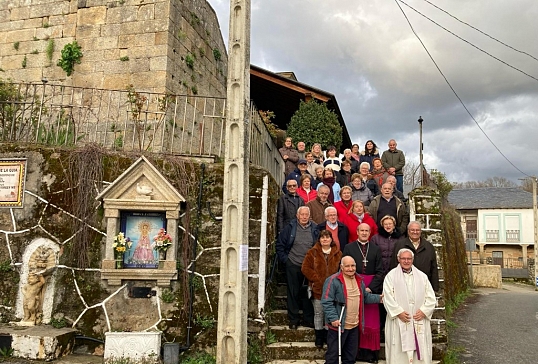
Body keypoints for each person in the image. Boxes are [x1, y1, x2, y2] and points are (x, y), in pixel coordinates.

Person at [321, 256, 382, 364]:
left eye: (353, 266)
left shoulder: (359, 280)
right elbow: (326, 301)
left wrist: (380, 298)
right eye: (347, 266)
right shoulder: (333, 280)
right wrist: (333, 318)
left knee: (350, 357)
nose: (350, 269)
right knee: (333, 357)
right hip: (339, 326)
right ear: (341, 267)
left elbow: (365, 297)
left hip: (354, 326)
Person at [383, 248, 436, 364]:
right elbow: (387, 297)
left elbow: (431, 298)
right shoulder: (391, 276)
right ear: (398, 259)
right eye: (403, 258)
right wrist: (398, 312)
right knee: (399, 353)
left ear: (412, 259)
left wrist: (424, 311)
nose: (406, 261)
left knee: (420, 352)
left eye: (409, 258)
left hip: (418, 319)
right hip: (399, 320)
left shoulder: (422, 276)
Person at [342, 223, 384, 363]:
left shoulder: (376, 249)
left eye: (367, 231)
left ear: (370, 232)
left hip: (371, 287)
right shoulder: (349, 248)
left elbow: (380, 272)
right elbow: (345, 269)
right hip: (353, 286)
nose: (364, 233)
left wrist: (370, 288)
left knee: (371, 322)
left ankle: (371, 354)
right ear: (357, 232)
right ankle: (356, 352)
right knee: (355, 320)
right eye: (362, 230)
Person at [276, 206, 317, 329]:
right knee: (293, 292)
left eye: (306, 214)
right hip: (293, 264)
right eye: (302, 214)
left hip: (309, 266)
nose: (304, 217)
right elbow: (280, 245)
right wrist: (286, 260)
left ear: (309, 216)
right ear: (297, 216)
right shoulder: (289, 228)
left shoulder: (315, 229)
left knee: (308, 293)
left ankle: (308, 319)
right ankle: (293, 320)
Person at [301, 230, 342, 348]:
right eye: (322, 237)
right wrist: (316, 279)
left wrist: (335, 282)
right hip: (317, 288)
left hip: (333, 289)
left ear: (331, 239)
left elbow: (341, 269)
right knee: (319, 313)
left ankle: (328, 336)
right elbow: (305, 268)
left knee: (329, 314)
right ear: (319, 239)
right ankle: (319, 337)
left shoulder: (338, 253)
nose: (325, 239)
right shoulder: (312, 252)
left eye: (327, 237)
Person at [370, 215, 402, 334]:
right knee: (380, 301)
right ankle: (380, 327)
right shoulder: (376, 238)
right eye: (386, 224)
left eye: (390, 223)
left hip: (394, 273)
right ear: (382, 225)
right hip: (380, 273)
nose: (388, 226)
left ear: (394, 225)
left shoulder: (400, 239)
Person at [390, 221, 440, 292]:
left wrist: (435, 288)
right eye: (412, 230)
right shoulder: (399, 245)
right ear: (408, 231)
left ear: (420, 231)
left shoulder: (428, 246)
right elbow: (394, 265)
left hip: (423, 285)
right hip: (404, 286)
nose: (415, 232)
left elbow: (433, 267)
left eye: (417, 230)